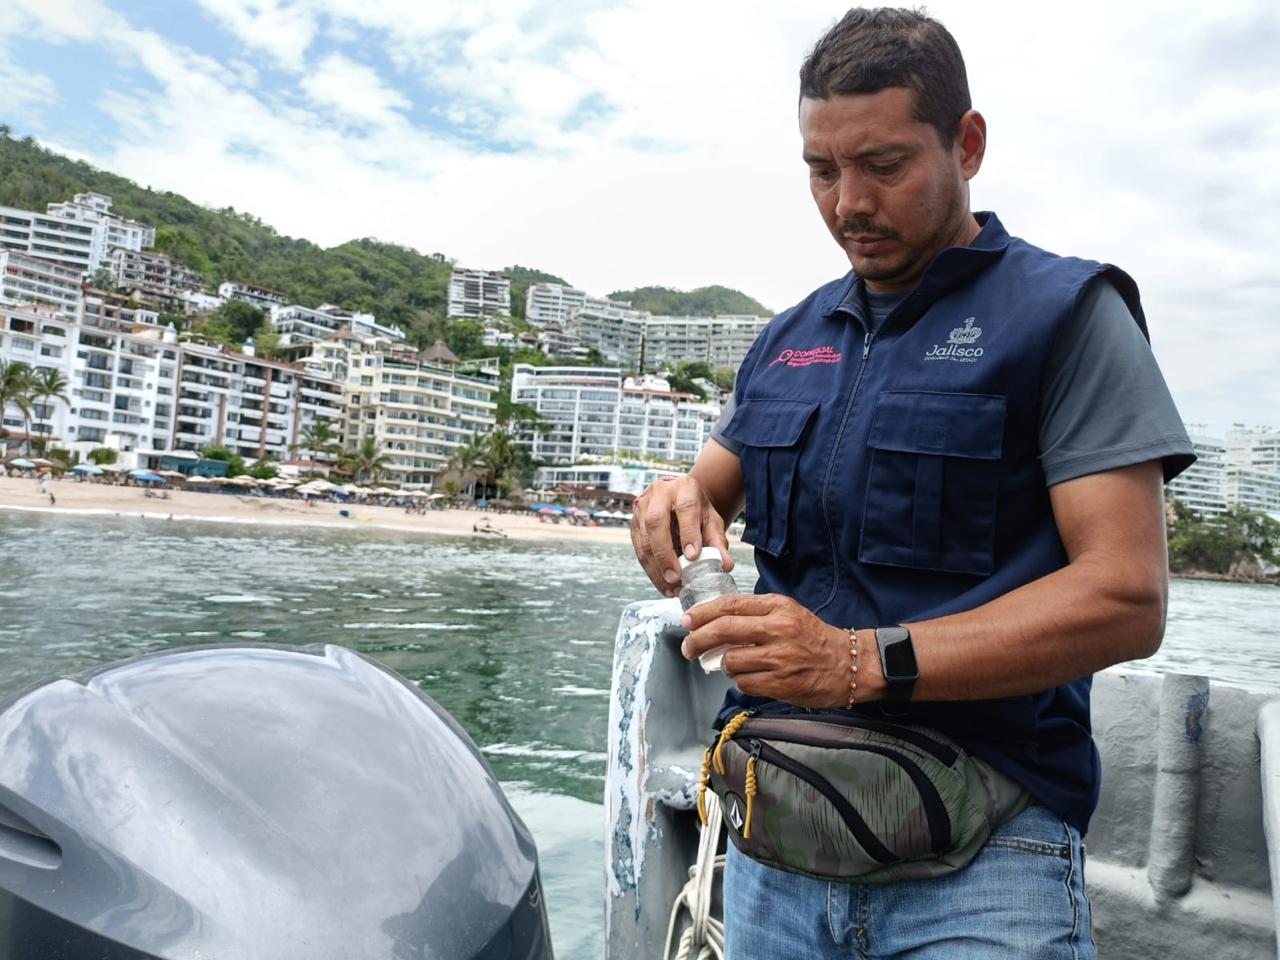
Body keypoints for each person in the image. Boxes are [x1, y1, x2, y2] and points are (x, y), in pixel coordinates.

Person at [629, 8, 1195, 958]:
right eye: (821, 170)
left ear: (966, 143)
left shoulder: (1067, 316)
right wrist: (666, 506)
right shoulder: (788, 336)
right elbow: (703, 496)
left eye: (883, 166)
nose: (847, 201)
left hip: (985, 858)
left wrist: (853, 661)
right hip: (779, 848)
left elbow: (1126, 599)